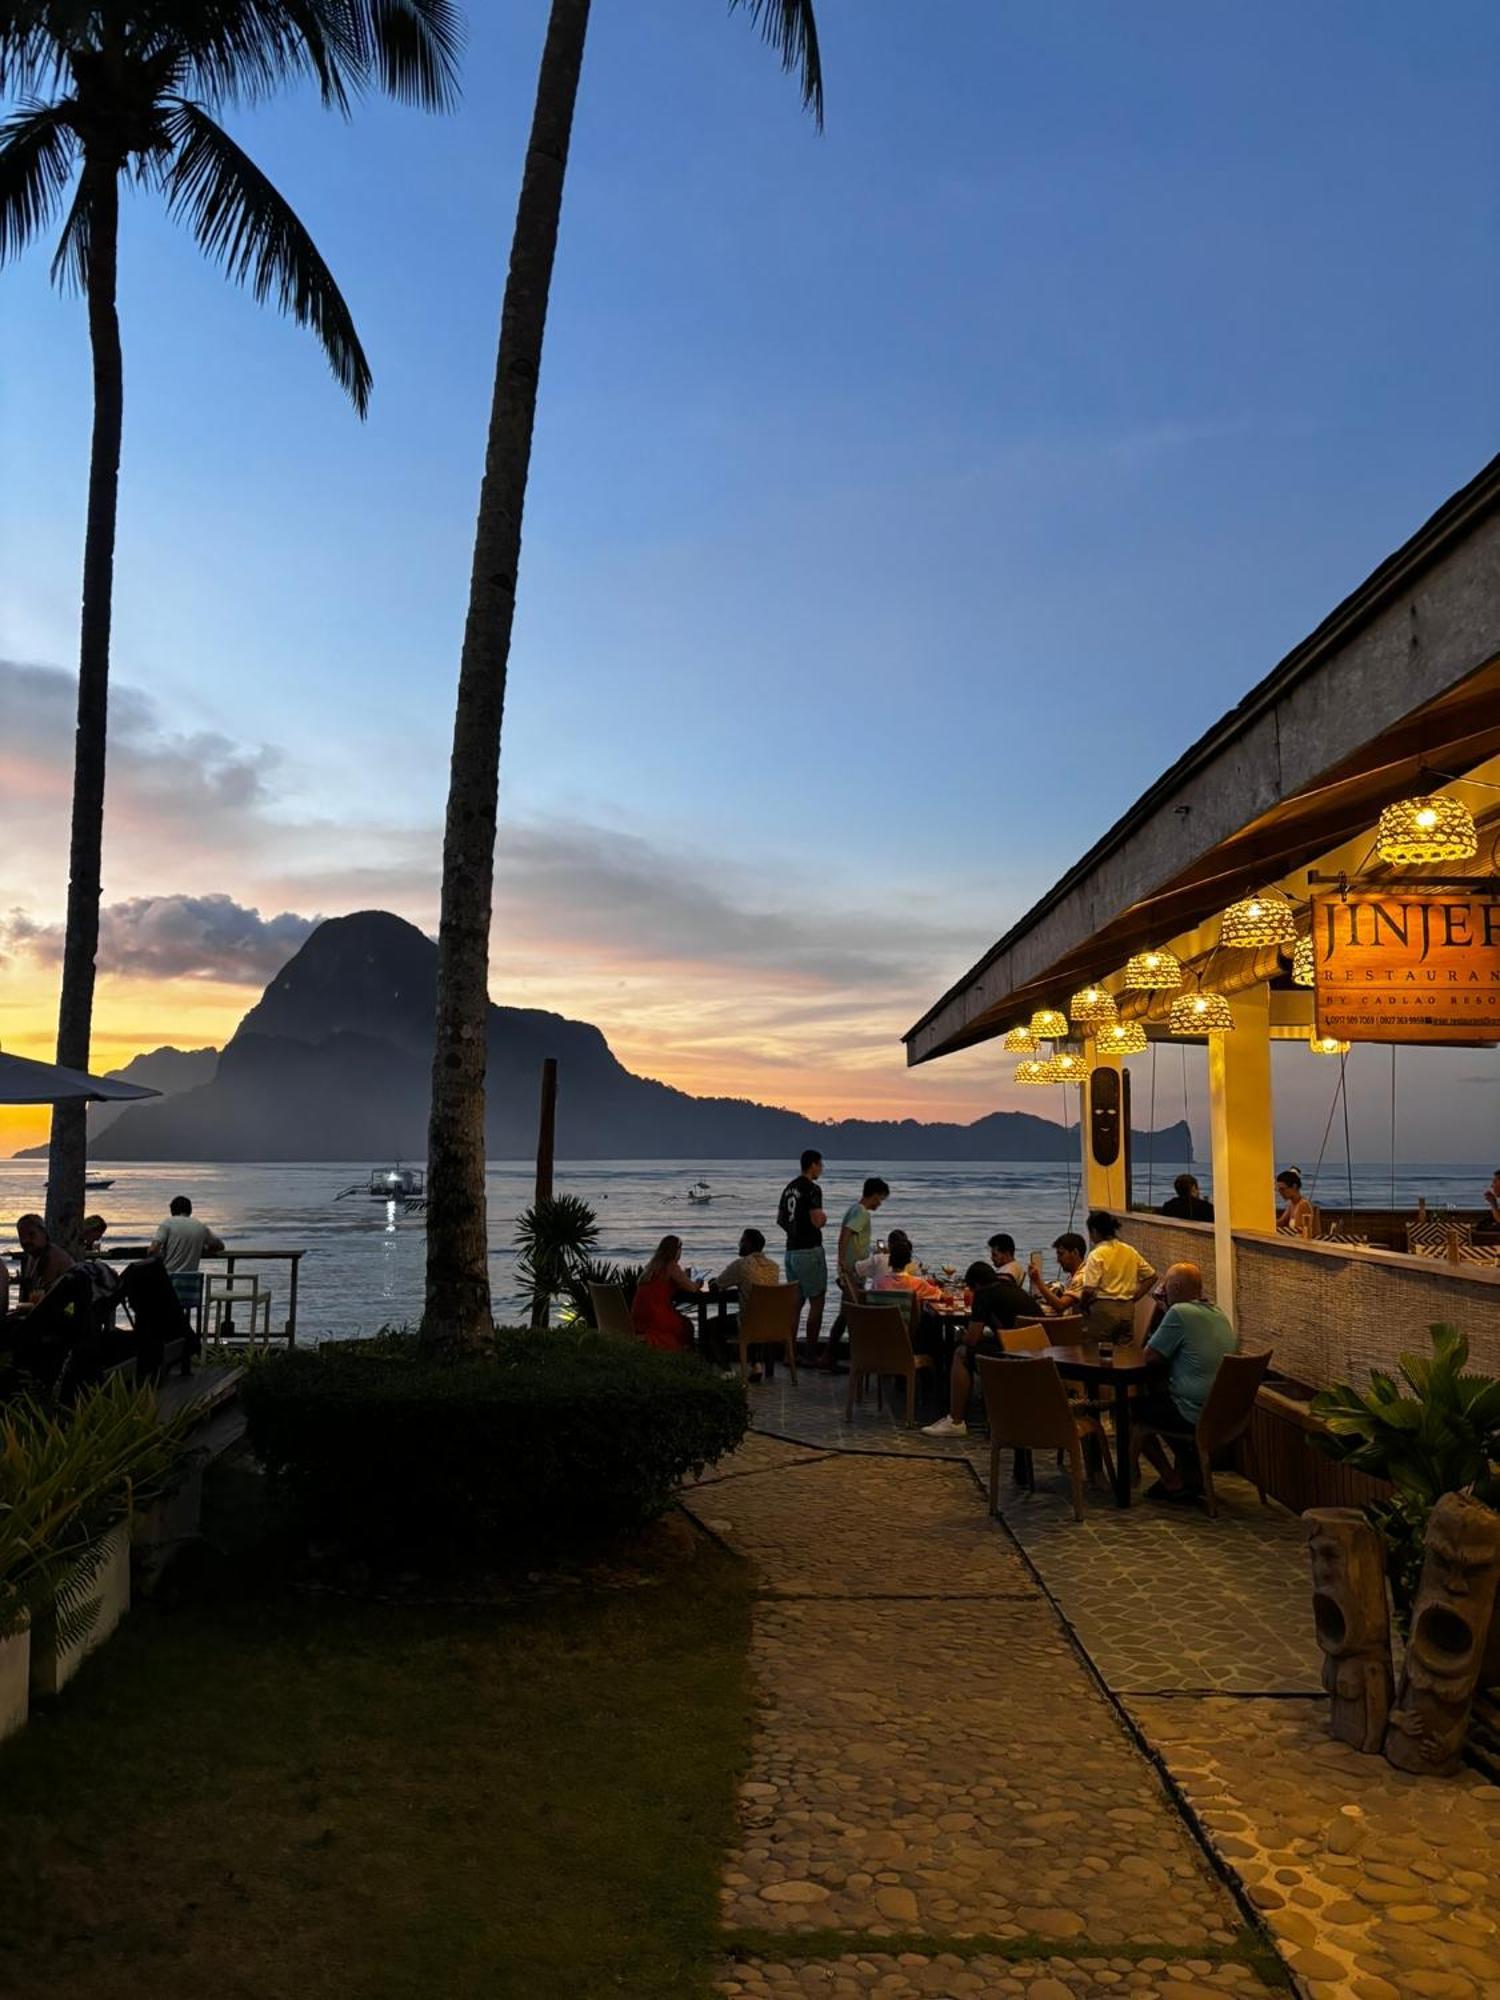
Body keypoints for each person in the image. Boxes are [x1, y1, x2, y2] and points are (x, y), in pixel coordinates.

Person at [1136, 1262, 1238, 1501]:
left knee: (1135, 1412)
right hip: (1226, 1415)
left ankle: (1171, 1481)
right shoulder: (1218, 1313)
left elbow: (1149, 1356)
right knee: (1162, 1404)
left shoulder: (1179, 1313)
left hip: (1194, 1413)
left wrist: (1163, 1311)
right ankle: (1191, 1473)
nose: (1164, 1290)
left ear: (1177, 1286)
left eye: (1167, 1285)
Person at [922, 1259, 1032, 1438]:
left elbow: (972, 1339)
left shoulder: (984, 1294)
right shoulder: (1013, 1289)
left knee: (961, 1353)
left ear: (977, 1285)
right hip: (1038, 1355)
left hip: (1013, 1357)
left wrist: (961, 1337)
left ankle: (955, 1421)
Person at [1030, 1212, 1155, 1339]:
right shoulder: (1130, 1251)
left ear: (1094, 1231)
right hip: (1127, 1311)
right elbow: (1151, 1276)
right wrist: (1133, 1298)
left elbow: (1089, 1290)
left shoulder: (1097, 1254)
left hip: (1104, 1311)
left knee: (1095, 1351)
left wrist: (1083, 1306)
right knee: (1124, 1352)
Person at [826, 1176, 890, 1368]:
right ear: (874, 1195)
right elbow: (846, 1233)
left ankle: (833, 1356)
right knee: (849, 1313)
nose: (880, 1203)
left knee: (846, 1313)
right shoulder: (862, 1213)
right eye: (880, 1199)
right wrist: (842, 1260)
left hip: (852, 1268)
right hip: (852, 1271)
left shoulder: (854, 1209)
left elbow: (853, 1239)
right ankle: (834, 1357)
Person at [776, 1149, 828, 1356]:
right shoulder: (812, 1189)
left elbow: (781, 1219)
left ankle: (790, 1354)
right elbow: (817, 1220)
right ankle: (810, 1353)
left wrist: (794, 1232)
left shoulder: (789, 1188)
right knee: (817, 1301)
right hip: (809, 1250)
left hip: (791, 1251)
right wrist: (823, 1219)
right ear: (813, 1165)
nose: (821, 1169)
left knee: (795, 1303)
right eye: (820, 1165)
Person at [631, 1234, 700, 1352]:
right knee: (687, 1326)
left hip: (639, 1316)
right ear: (675, 1250)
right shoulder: (672, 1266)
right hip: (657, 1316)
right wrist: (699, 1282)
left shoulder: (651, 1267)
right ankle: (689, 1357)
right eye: (680, 1249)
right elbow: (692, 1288)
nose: (681, 1252)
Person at [151, 1195, 224, 1273]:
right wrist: (204, 1250)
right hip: (191, 1280)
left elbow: (153, 1250)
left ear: (172, 1210)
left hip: (169, 1278)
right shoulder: (200, 1226)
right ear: (190, 1210)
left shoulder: (168, 1223)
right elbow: (220, 1246)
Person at [15, 1214, 74, 1304]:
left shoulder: (53, 1256)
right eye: (22, 1236)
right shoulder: (34, 1256)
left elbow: (42, 1297)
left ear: (44, 1233)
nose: (25, 1240)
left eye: (32, 1235)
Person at [1027, 1232, 1087, 1315]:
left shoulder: (1082, 1276)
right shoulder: (1073, 1276)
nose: (1058, 1260)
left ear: (1075, 1253)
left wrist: (1038, 1281)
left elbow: (1060, 1306)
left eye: (1061, 1254)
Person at [716, 1227, 781, 1299]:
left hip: (751, 1310)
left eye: (742, 1241)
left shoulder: (741, 1265)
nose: (739, 1244)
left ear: (748, 1244)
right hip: (773, 1310)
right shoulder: (774, 1266)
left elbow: (718, 1284)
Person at [1276, 1169, 1314, 1239]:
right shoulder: (1292, 1204)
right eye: (1279, 1190)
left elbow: (1300, 1233)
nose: (1280, 1193)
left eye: (1282, 1189)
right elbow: (1281, 1222)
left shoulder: (1303, 1204)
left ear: (1294, 1186)